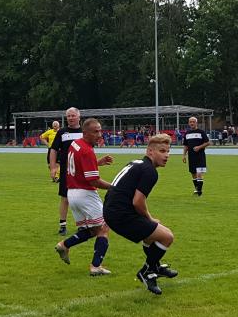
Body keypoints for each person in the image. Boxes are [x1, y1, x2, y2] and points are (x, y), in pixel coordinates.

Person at [103, 134, 178, 295]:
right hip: (120, 214)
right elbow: (138, 201)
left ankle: (155, 266)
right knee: (167, 237)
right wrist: (149, 218)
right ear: (150, 152)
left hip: (112, 211)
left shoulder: (137, 163)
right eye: (162, 151)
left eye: (168, 151)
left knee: (150, 236)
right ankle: (147, 271)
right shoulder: (150, 171)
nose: (167, 155)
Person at [54, 118, 114, 276]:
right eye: (96, 131)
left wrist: (97, 162)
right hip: (85, 193)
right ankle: (96, 266)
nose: (99, 134)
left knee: (92, 230)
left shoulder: (76, 144)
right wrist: (114, 188)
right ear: (85, 132)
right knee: (104, 228)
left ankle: (64, 245)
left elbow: (78, 164)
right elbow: (94, 180)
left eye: (100, 131)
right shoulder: (87, 150)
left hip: (72, 193)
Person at [49, 107, 83, 236]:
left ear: (79, 117)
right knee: (65, 198)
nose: (71, 118)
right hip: (66, 171)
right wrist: (53, 167)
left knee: (80, 197)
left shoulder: (84, 132)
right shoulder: (62, 132)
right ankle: (62, 225)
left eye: (73, 115)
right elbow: (53, 150)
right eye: (68, 116)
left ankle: (81, 224)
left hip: (81, 171)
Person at [182, 117, 210, 196]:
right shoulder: (187, 133)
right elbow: (186, 146)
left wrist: (199, 147)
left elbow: (208, 143)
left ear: (196, 123)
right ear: (188, 123)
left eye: (193, 122)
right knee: (193, 174)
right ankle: (197, 189)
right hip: (191, 157)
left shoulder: (201, 132)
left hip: (200, 156)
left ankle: (199, 192)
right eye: (190, 122)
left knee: (199, 174)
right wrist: (184, 155)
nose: (192, 123)